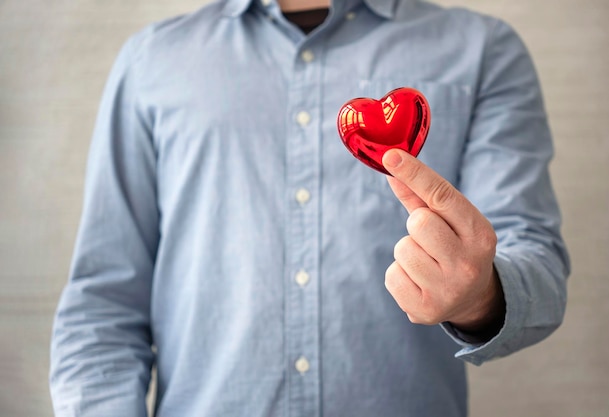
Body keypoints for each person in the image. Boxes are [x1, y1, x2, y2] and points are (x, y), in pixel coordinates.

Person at [49, 0, 570, 416]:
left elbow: (539, 268)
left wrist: (480, 297)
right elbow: (103, 302)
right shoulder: (151, 62)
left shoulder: (483, 49)